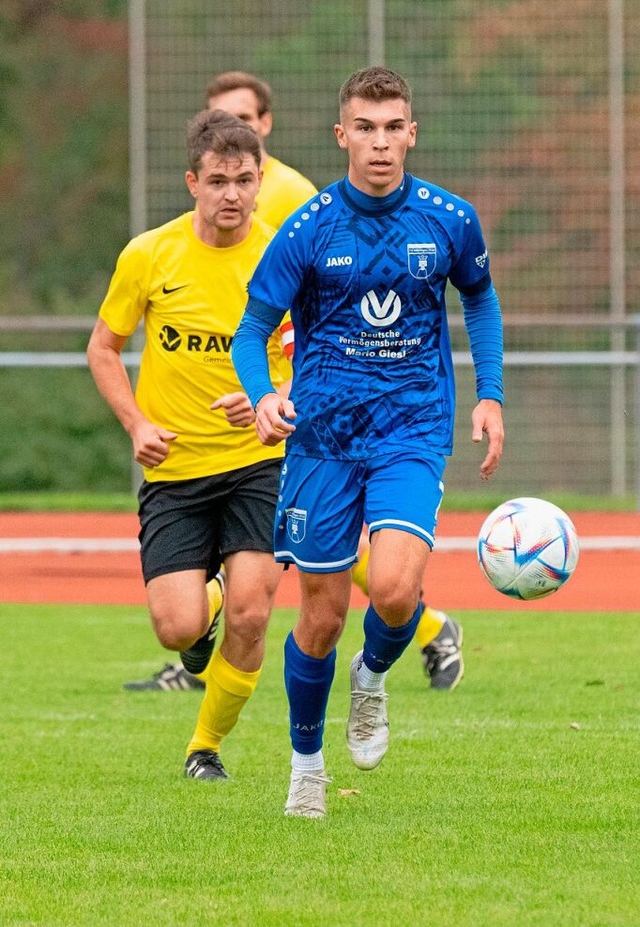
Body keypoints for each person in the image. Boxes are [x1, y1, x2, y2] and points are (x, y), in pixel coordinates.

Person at [126, 70, 465, 694]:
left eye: (246, 120)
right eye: (221, 118)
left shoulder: (293, 198)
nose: (234, 181)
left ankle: (418, 624)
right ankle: (430, 626)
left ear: (266, 126)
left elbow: (308, 316)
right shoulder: (201, 210)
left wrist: (276, 391)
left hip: (308, 407)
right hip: (242, 408)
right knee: (320, 550)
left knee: (322, 553)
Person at [232, 66, 504, 818]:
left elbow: (479, 299)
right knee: (319, 618)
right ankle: (306, 764)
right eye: (366, 128)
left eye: (393, 129)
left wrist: (490, 395)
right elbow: (251, 331)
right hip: (322, 438)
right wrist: (263, 399)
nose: (380, 144)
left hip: (411, 431)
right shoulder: (310, 226)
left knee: (391, 589)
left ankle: (374, 677)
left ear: (411, 133)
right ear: (341, 134)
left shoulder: (449, 220)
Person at [87, 109, 291, 782]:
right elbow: (104, 349)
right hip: (175, 468)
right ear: (192, 183)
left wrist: (270, 397)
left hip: (259, 462)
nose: (231, 194)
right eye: (217, 181)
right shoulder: (149, 254)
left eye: (243, 180)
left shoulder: (284, 257)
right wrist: (137, 426)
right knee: (176, 629)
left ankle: (204, 748)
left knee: (253, 612)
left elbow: (314, 356)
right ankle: (200, 615)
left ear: (260, 180)